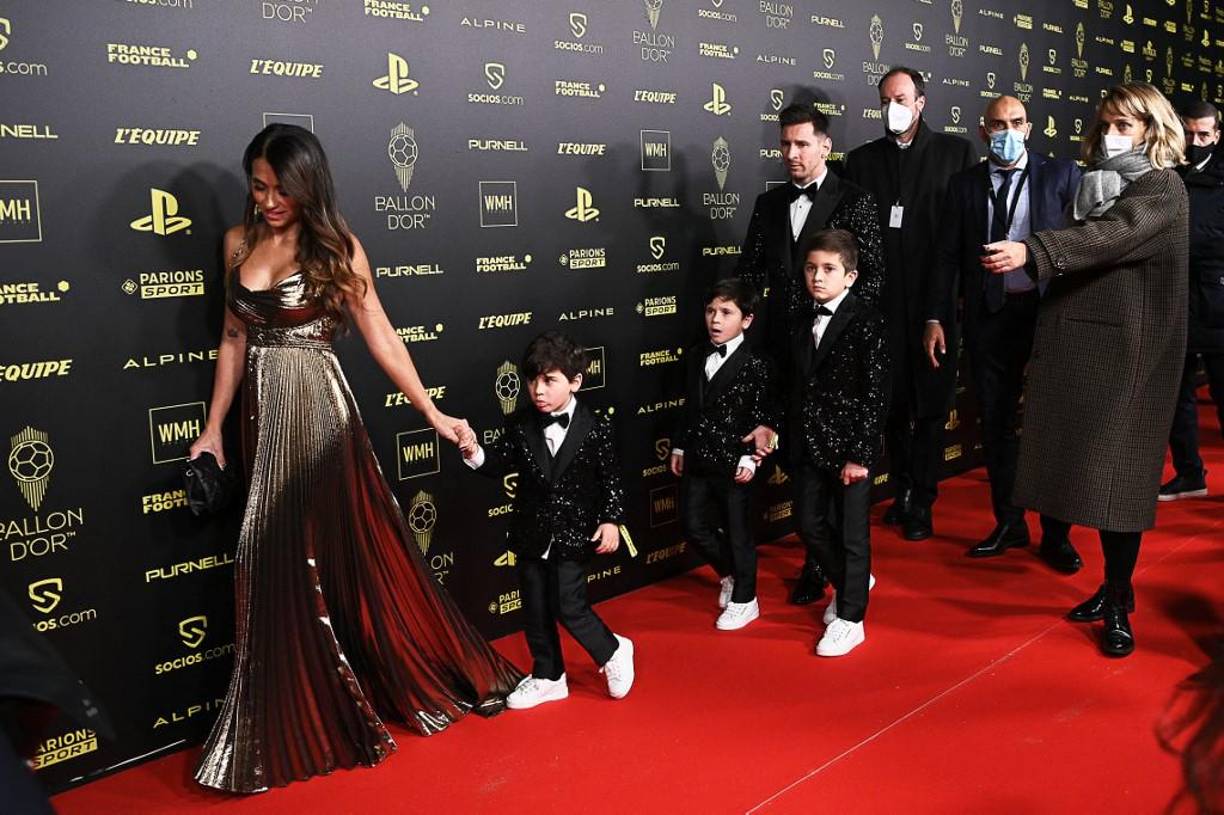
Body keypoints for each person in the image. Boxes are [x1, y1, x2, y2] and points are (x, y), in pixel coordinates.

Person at [188, 124, 522, 793]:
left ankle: (349, 691)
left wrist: (432, 412)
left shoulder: (337, 247)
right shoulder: (237, 243)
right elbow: (232, 339)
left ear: (308, 184)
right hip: (263, 417)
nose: (269, 200)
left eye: (282, 189)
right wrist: (213, 429)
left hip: (320, 415)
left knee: (338, 552)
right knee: (268, 554)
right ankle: (295, 707)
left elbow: (381, 335)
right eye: (259, 186)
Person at [983, 83, 1188, 657]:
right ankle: (1111, 586)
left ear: (1151, 129)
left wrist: (1032, 251)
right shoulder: (1097, 181)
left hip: (1132, 359)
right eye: (1107, 124)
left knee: (1120, 481)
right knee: (1089, 474)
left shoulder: (1161, 186)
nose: (1112, 135)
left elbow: (1111, 236)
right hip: (1086, 350)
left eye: (1125, 125)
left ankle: (1118, 601)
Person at [926, 95, 1084, 571]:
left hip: (1049, 313)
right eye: (998, 125)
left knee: (1053, 425)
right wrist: (935, 318)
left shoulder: (1062, 175)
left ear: (1030, 128)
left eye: (1016, 122)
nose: (1008, 131)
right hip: (990, 316)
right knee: (995, 424)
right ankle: (1009, 523)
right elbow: (946, 256)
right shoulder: (964, 184)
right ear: (983, 131)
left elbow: (1082, 243)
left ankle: (1056, 535)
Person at [735, 102, 883, 605]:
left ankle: (828, 570)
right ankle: (824, 560)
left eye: (802, 144)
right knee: (802, 464)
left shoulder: (856, 200)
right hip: (783, 349)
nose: (792, 153)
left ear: (825, 145)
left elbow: (873, 278)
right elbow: (749, 274)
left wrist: (838, 331)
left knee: (833, 464)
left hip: (836, 351)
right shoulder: (768, 204)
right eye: (785, 144)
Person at [459, 331, 634, 708]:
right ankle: (548, 675)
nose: (538, 390)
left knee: (569, 605)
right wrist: (473, 451)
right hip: (531, 531)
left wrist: (611, 520)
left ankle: (613, 650)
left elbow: (612, 478)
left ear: (575, 382)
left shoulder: (596, 426)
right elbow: (498, 463)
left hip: (575, 531)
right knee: (535, 606)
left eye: (549, 380)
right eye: (532, 380)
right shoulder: (521, 423)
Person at [844, 66, 976, 541]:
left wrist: (947, 304)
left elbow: (964, 236)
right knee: (893, 405)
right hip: (881, 308)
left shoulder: (956, 153)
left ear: (921, 102)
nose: (892, 108)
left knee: (932, 407)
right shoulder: (861, 161)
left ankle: (923, 499)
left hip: (935, 305)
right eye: (884, 100)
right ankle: (901, 492)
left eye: (900, 99)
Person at [786, 230, 889, 657]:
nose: (817, 277)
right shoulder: (799, 317)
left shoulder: (867, 321)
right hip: (809, 442)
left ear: (850, 276)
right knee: (808, 522)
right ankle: (852, 581)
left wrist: (860, 455)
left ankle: (851, 618)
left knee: (852, 535)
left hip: (850, 446)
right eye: (811, 268)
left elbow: (875, 394)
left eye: (829, 269)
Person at [670, 279, 775, 631]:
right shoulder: (696, 354)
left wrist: (750, 458)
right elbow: (689, 406)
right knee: (692, 524)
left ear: (747, 320)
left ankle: (746, 600)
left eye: (726, 312)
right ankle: (729, 573)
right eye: (711, 311)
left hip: (735, 462)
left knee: (738, 532)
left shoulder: (757, 363)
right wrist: (680, 445)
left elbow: (763, 417)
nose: (715, 319)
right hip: (698, 456)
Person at [1160, 100, 1224, 501]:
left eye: (1204, 135)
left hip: (1217, 301)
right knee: (1174, 394)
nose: (1196, 141)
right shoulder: (1167, 172)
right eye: (1189, 133)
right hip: (1174, 298)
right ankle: (1189, 474)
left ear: (1217, 134)